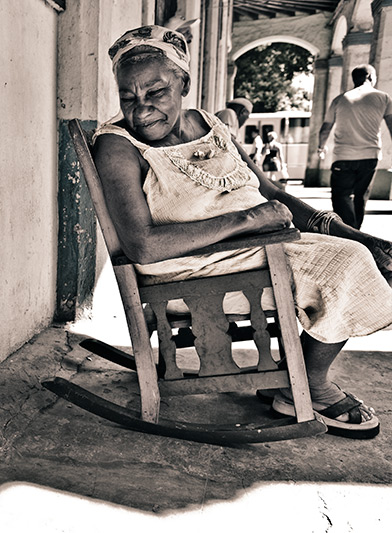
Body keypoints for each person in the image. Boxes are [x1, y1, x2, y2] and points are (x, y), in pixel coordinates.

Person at [94, 25, 392, 438]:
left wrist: (356, 234)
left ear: (183, 82)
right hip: (196, 272)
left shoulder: (209, 124)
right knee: (349, 265)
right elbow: (143, 246)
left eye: (155, 93)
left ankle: (295, 377)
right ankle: (310, 385)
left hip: (257, 251)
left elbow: (269, 192)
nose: (141, 111)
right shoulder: (118, 146)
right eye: (128, 97)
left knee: (371, 256)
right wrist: (250, 220)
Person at [318, 64, 392, 229]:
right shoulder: (384, 98)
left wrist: (321, 147)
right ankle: (355, 230)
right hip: (370, 156)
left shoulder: (340, 99)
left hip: (343, 156)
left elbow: (325, 130)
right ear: (370, 77)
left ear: (354, 79)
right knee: (361, 195)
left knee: (341, 196)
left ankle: (348, 230)